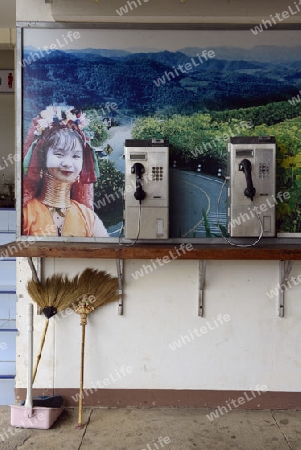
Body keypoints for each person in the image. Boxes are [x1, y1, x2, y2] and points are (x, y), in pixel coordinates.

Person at [22, 106, 108, 237]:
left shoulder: (88, 218)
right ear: (42, 158)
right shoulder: (25, 215)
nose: (68, 163)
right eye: (59, 154)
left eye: (76, 156)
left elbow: (104, 254)